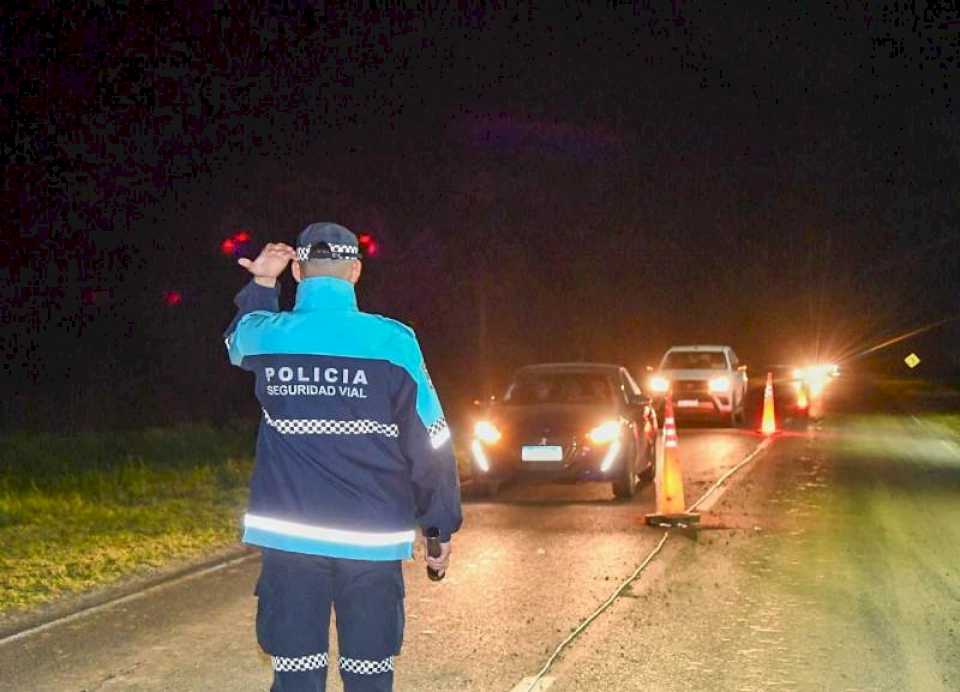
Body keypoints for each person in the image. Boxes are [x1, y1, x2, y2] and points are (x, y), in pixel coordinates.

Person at [224, 222, 463, 691]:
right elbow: (431, 440)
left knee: (295, 679)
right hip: (371, 543)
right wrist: (438, 528)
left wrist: (262, 284)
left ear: (298, 269)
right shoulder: (394, 342)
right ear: (355, 271)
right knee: (370, 678)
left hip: (290, 541)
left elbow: (236, 341)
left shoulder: (270, 336)